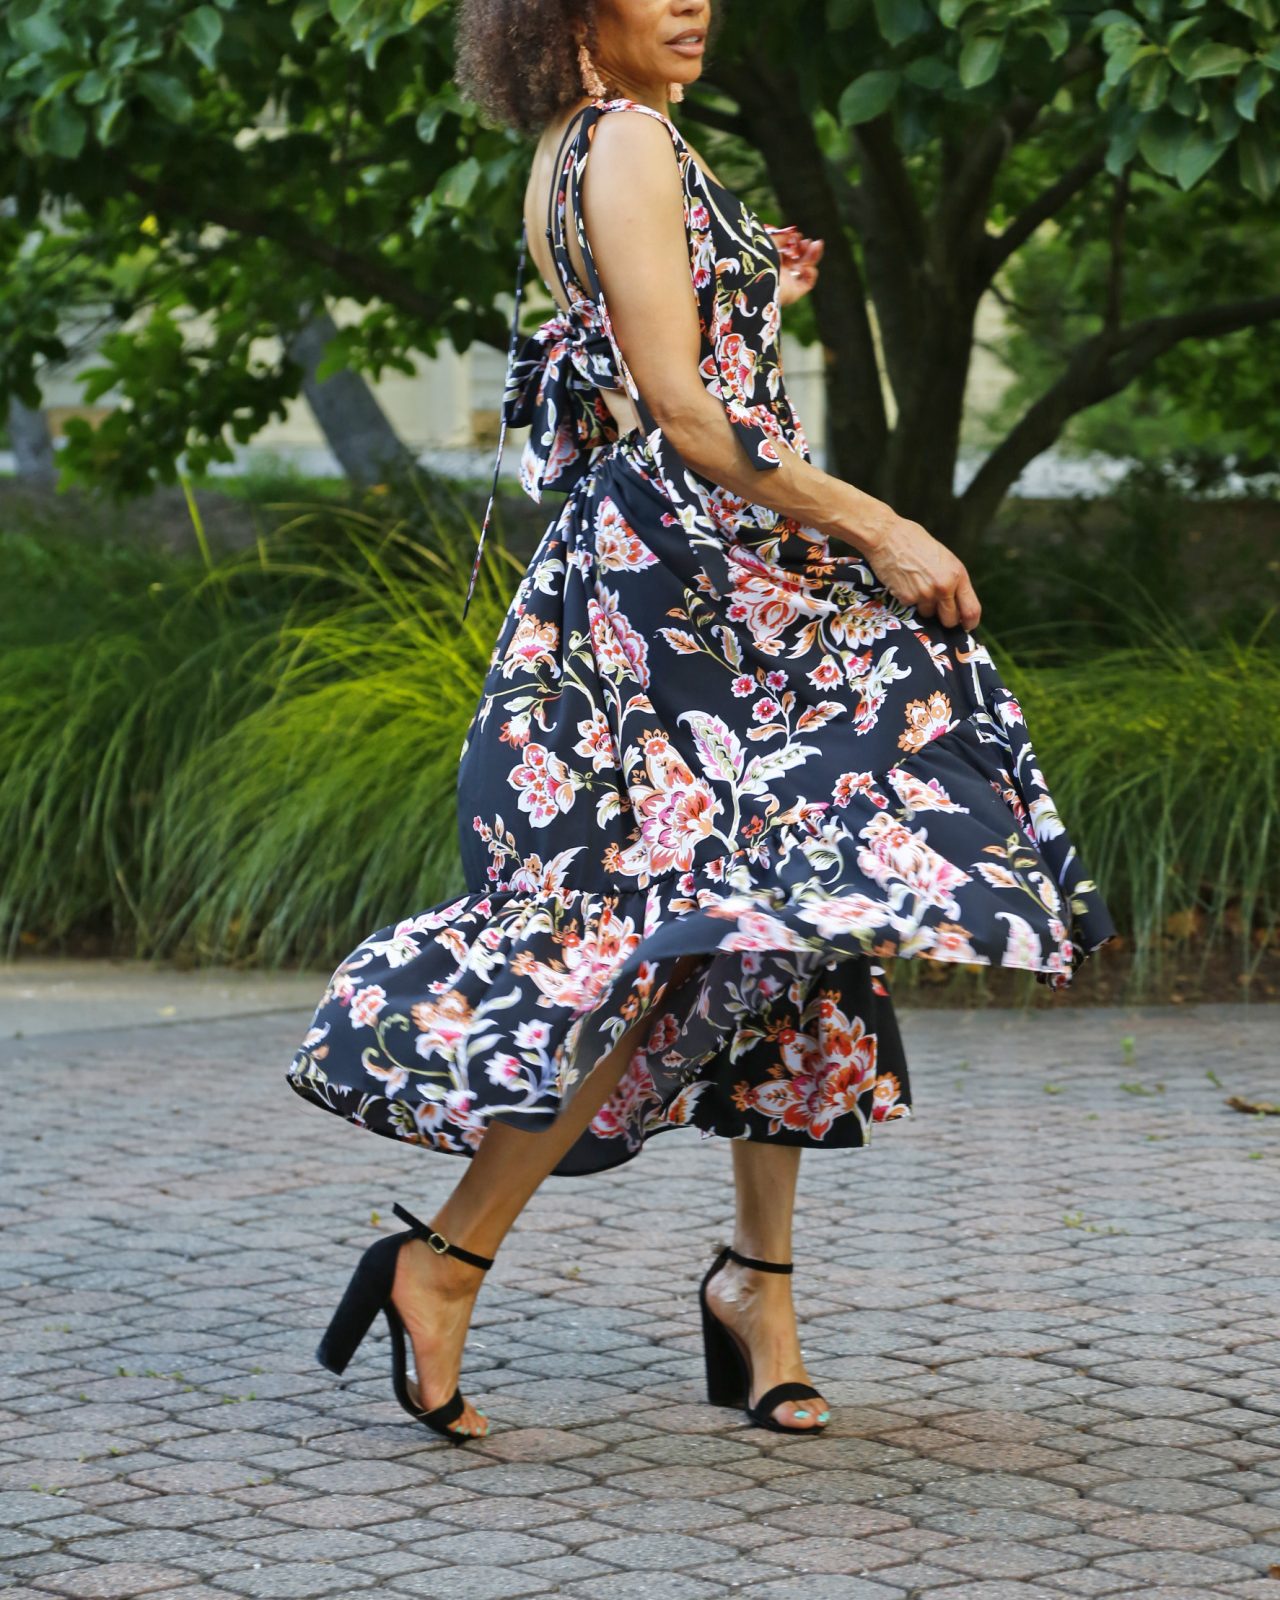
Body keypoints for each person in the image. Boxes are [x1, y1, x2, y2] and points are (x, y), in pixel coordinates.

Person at [287, 0, 1118, 1444]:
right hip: (683, 590)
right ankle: (446, 1261)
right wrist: (883, 526)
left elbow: (641, 364)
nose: (693, 2)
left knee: (778, 923)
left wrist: (746, 289)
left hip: (691, 575)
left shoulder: (589, 145)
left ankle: (756, 1290)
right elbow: (677, 405)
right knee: (662, 938)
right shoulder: (621, 142)